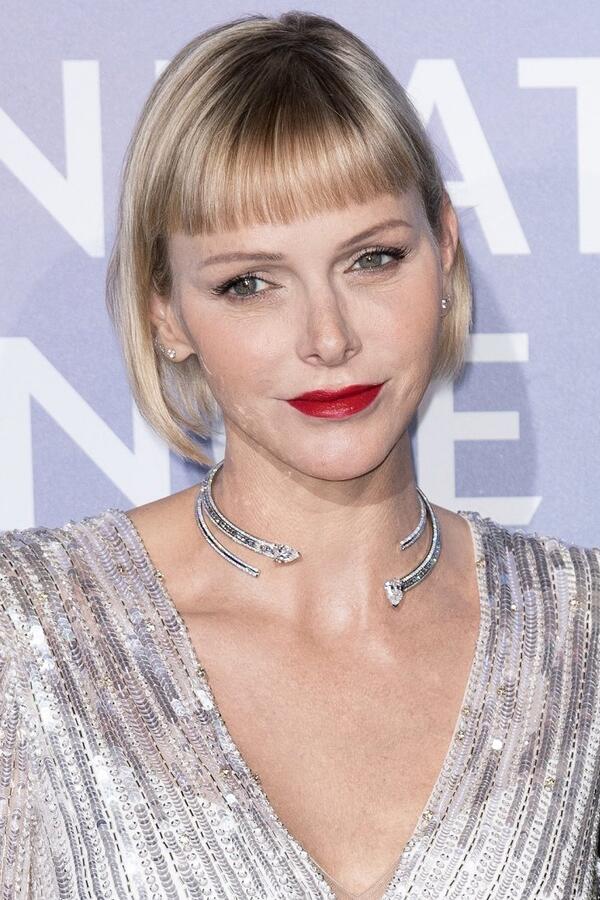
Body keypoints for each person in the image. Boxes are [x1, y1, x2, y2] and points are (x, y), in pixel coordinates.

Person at [1, 10, 599, 900]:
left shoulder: (580, 636)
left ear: (444, 251)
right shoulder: (29, 636)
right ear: (166, 313)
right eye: (249, 283)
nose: (328, 337)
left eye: (373, 259)